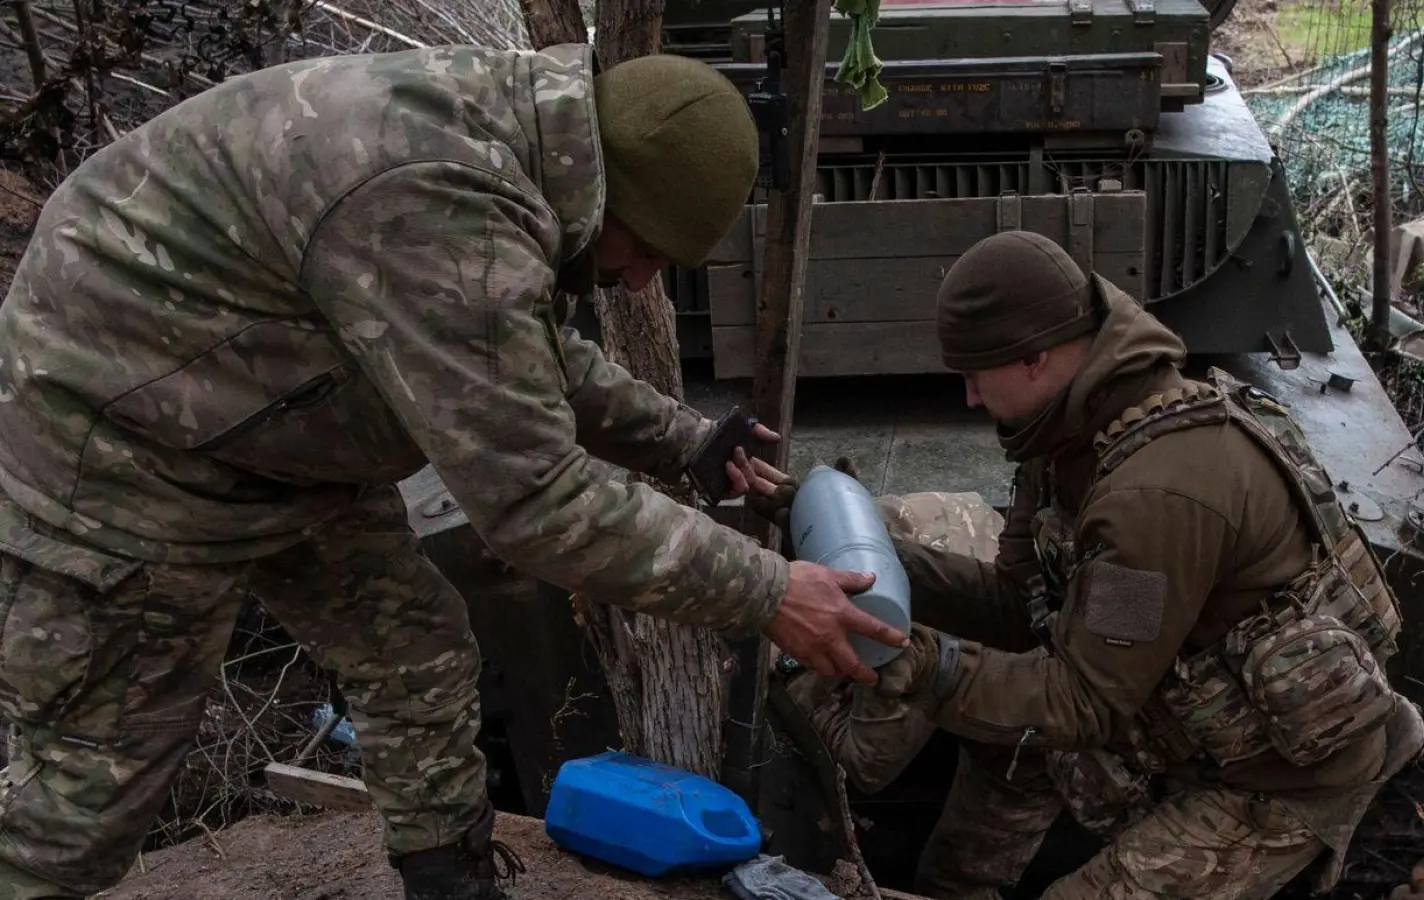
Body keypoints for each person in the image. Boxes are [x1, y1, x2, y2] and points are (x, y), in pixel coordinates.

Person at [0, 44, 907, 900]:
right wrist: (766, 592)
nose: (639, 284)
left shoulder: (518, 146)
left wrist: (684, 441)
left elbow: (512, 347)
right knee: (91, 786)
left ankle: (452, 884)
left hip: (268, 428)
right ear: (616, 198)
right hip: (123, 450)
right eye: (651, 254)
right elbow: (537, 500)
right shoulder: (434, 196)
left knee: (416, 651)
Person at [749, 230, 1424, 900]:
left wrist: (928, 665)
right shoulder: (1070, 435)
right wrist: (852, 545)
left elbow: (1084, 701)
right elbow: (1016, 609)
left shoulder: (1156, 495)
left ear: (1035, 358)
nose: (968, 399)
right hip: (1157, 710)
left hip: (1273, 779)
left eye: (974, 375)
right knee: (997, 730)